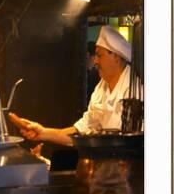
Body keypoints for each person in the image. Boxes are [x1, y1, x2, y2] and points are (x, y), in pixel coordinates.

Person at [9, 25, 139, 146]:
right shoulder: (101, 88)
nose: (95, 61)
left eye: (99, 55)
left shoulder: (135, 89)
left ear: (116, 56)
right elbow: (82, 130)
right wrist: (43, 132)